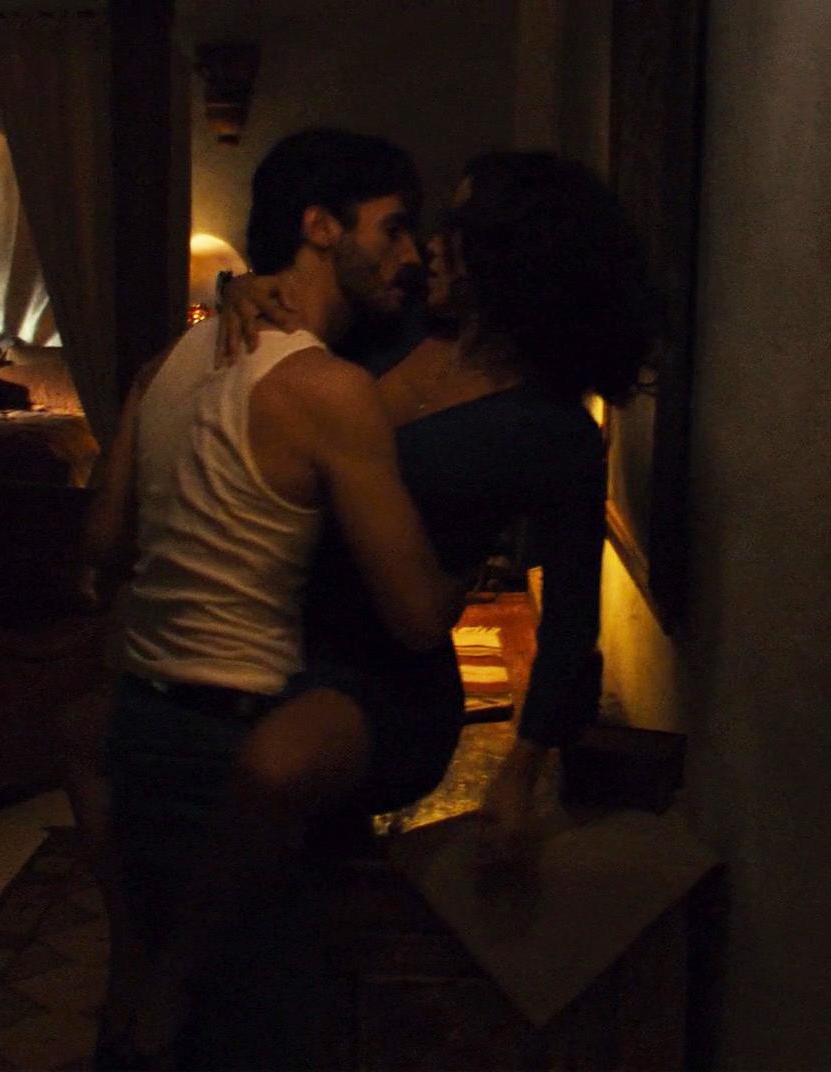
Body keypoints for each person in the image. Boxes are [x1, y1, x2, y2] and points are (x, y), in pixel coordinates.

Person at [74, 127, 469, 1068]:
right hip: (236, 740)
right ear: (320, 226)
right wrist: (470, 550)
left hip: (138, 728)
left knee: (164, 1015)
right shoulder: (327, 390)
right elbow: (416, 617)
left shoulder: (168, 363)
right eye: (395, 228)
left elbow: (104, 546)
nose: (412, 255)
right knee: (260, 1027)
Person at [217, 149, 656, 868]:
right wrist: (241, 288)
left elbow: (573, 619)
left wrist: (520, 772)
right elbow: (292, 331)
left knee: (274, 786)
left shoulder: (553, 432)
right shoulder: (393, 329)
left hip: (385, 677)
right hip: (271, 637)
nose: (430, 245)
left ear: (511, 255)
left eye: (458, 226)